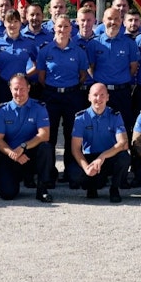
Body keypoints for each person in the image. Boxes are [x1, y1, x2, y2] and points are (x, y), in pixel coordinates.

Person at [36, 15, 89, 185]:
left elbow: (82, 75)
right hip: (51, 95)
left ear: (71, 29)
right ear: (54, 28)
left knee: (71, 134)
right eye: (59, 26)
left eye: (66, 26)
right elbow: (41, 76)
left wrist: (69, 87)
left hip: (72, 96)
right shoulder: (45, 50)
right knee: (49, 136)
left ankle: (71, 172)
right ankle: (49, 173)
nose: (62, 30)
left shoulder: (79, 51)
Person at [0, 74, 54, 202]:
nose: (19, 93)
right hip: (10, 154)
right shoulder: (2, 110)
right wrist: (14, 154)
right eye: (15, 89)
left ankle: (42, 189)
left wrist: (23, 147)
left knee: (46, 147)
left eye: (22, 89)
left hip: (30, 153)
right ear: (10, 89)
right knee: (7, 194)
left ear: (29, 88)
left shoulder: (39, 108)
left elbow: (44, 134)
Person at [69, 83, 131, 202]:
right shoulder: (81, 118)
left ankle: (114, 188)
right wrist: (86, 168)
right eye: (95, 95)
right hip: (90, 159)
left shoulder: (115, 116)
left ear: (108, 97)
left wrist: (102, 157)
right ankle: (92, 187)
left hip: (108, 157)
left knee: (124, 157)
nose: (98, 99)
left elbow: (123, 143)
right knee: (74, 173)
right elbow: (75, 148)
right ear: (89, 97)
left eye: (102, 95)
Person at [87, 7, 140, 133]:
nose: (113, 22)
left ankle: (123, 152)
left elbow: (133, 67)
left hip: (122, 92)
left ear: (121, 21)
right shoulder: (94, 43)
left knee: (124, 126)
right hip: (102, 93)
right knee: (100, 128)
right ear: (103, 20)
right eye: (109, 18)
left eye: (116, 18)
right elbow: (91, 68)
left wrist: (120, 79)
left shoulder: (129, 43)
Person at [0, 9, 38, 106]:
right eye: (9, 21)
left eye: (16, 21)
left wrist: (25, 76)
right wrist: (2, 76)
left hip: (21, 88)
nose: (13, 25)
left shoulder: (29, 43)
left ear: (20, 23)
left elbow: (37, 65)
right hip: (3, 86)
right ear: (5, 23)